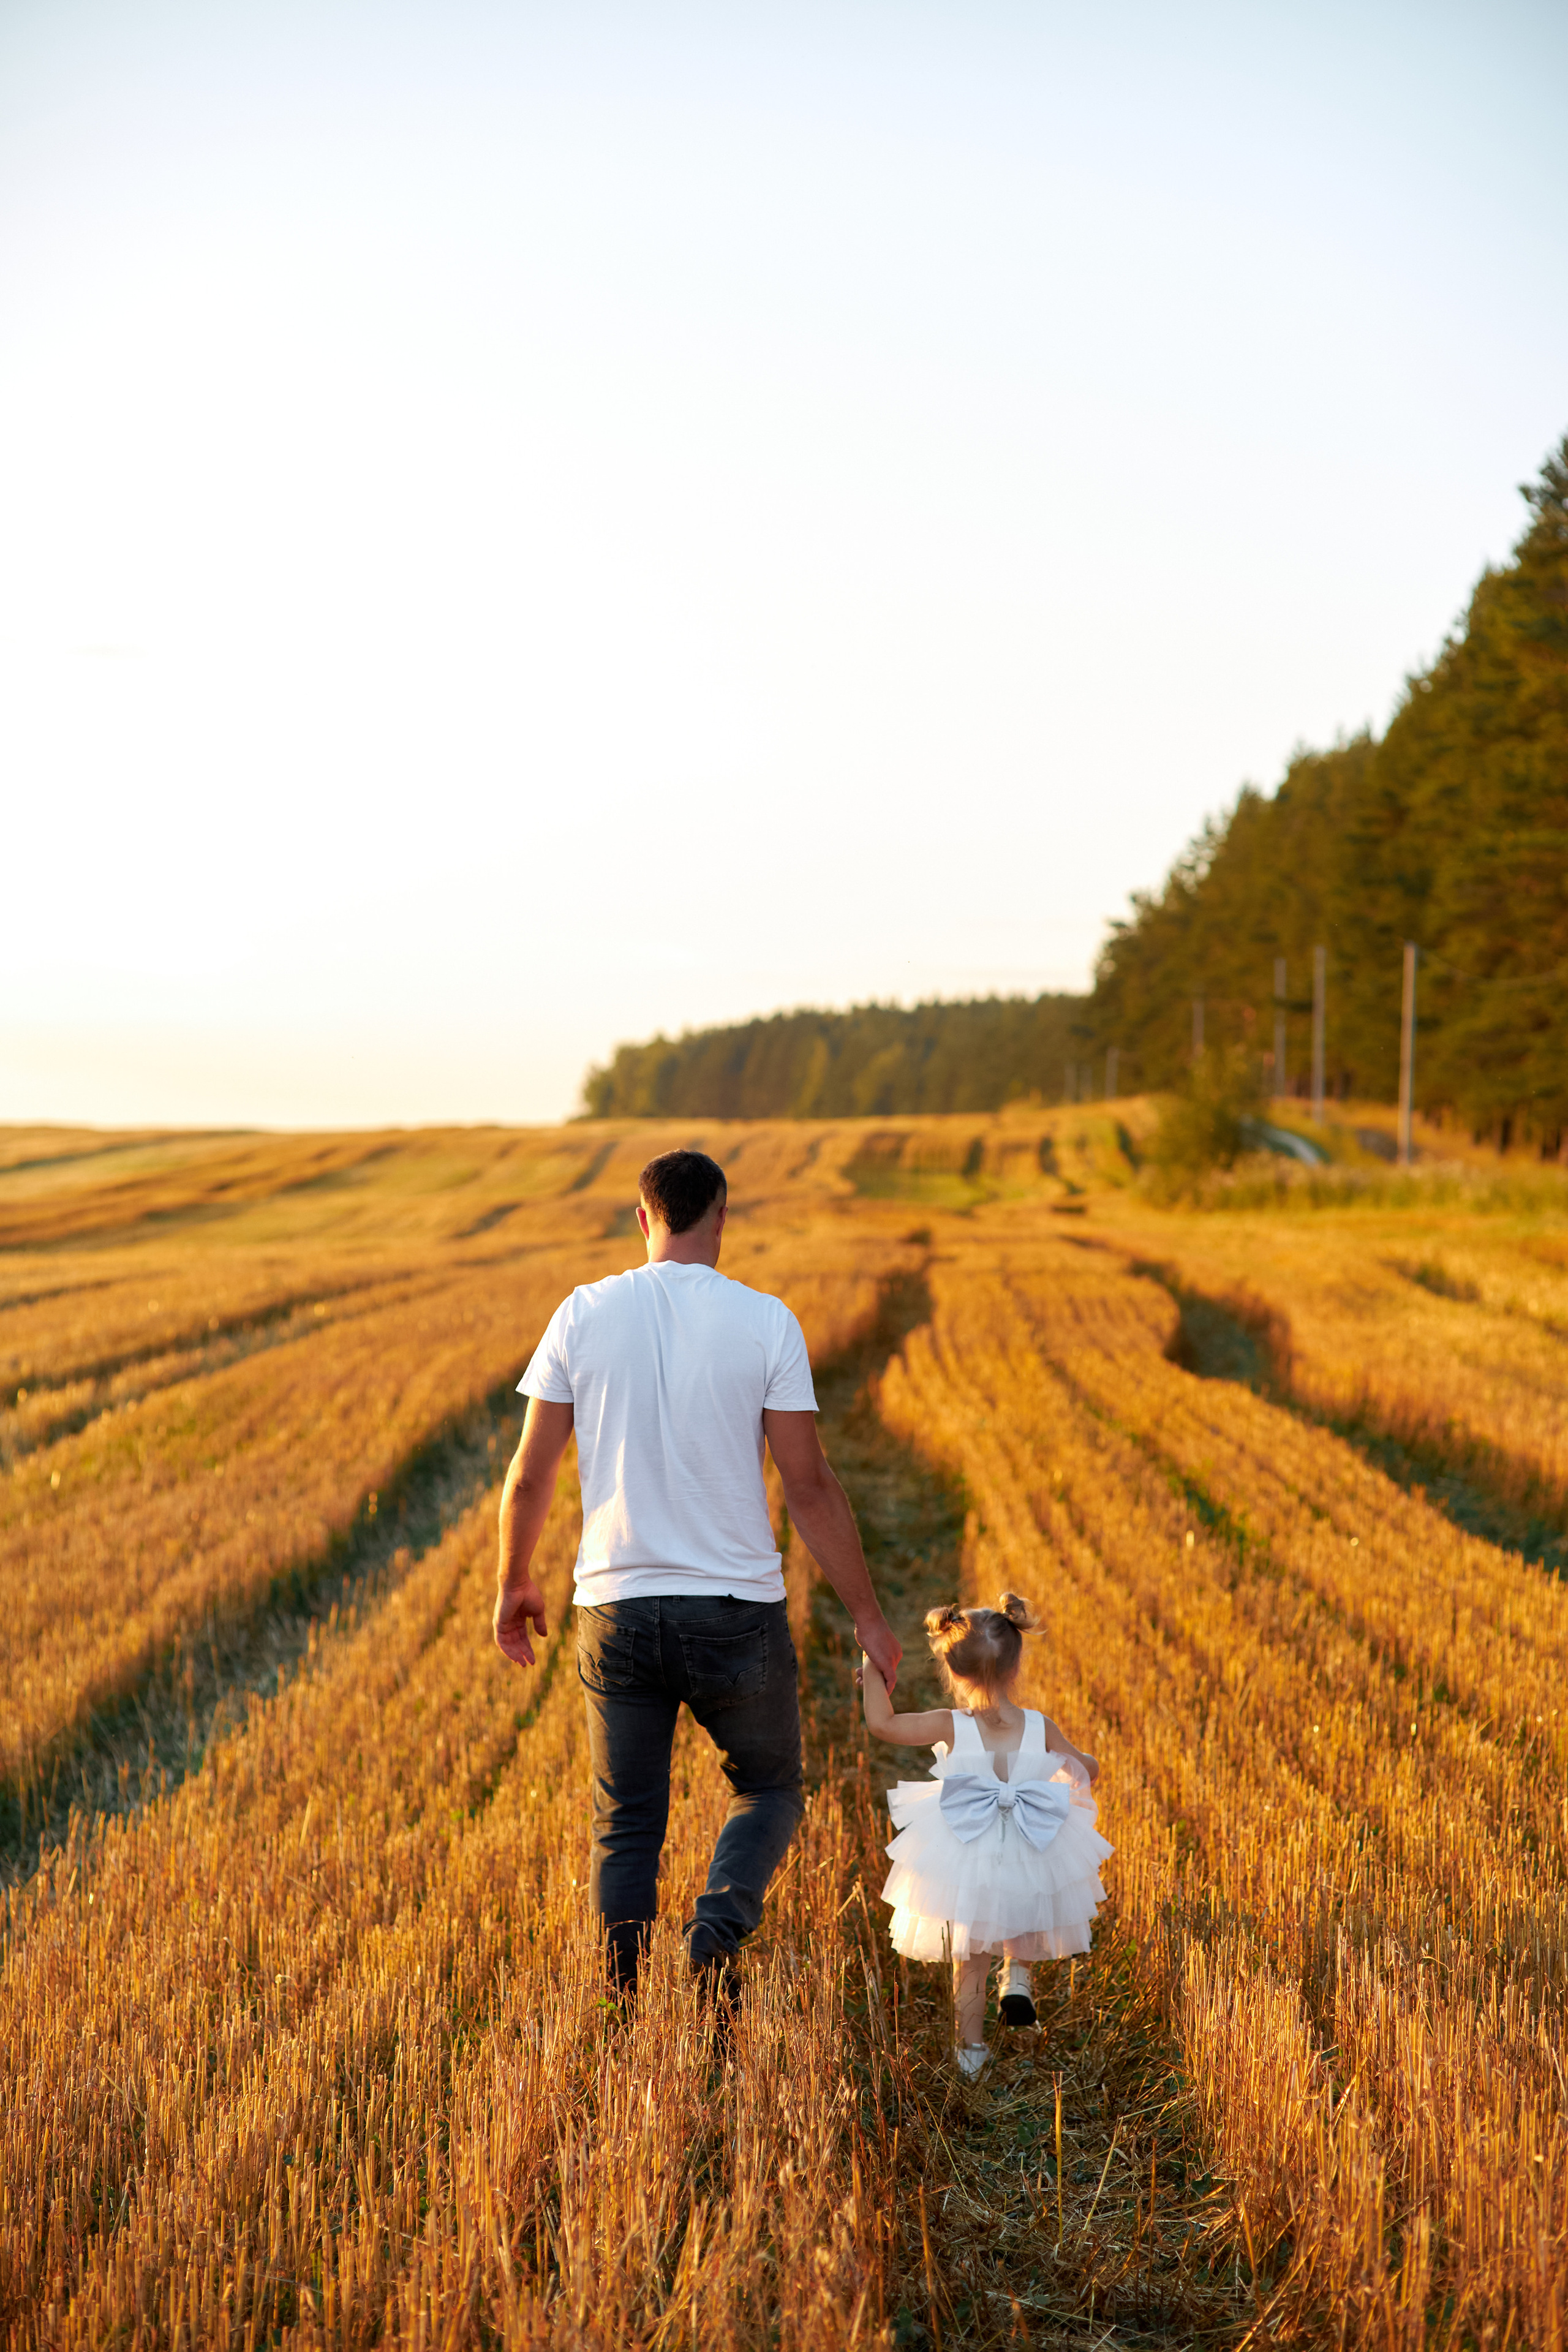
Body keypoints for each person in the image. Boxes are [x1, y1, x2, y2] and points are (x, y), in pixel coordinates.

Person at [493, 1147, 903, 2000]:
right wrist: (866, 1614)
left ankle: (622, 2001)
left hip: (616, 1608)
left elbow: (530, 1474)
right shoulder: (765, 1321)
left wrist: (515, 1581)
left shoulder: (582, 1314)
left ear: (643, 1219)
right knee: (771, 1790)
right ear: (721, 1219)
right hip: (736, 1612)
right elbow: (810, 1485)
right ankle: (714, 1931)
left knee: (627, 1824)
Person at [858, 1593, 1111, 2079]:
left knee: (970, 1958)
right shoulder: (1040, 1726)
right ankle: (1017, 1977)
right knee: (1026, 1910)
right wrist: (1072, 1770)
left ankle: (971, 2053)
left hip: (968, 1848)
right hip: (1030, 1840)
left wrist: (872, 1670)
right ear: (1016, 1670)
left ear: (953, 1674)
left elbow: (882, 1724)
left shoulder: (951, 1725)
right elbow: (1087, 1767)